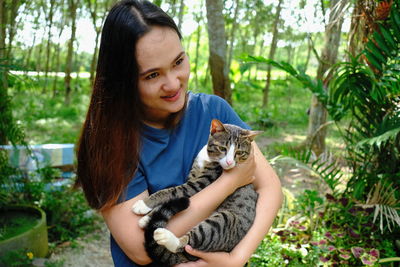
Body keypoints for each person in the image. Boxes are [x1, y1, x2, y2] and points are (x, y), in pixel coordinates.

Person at [75, 0, 283, 266]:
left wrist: (236, 258)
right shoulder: (108, 141)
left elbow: (269, 187)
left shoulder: (214, 112)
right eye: (152, 75)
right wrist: (230, 182)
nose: (173, 83)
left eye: (178, 62)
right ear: (123, 81)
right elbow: (140, 248)